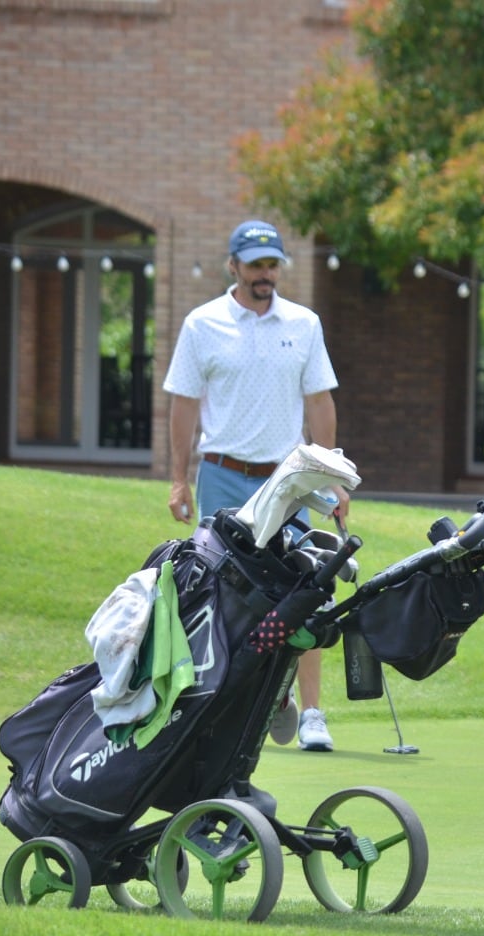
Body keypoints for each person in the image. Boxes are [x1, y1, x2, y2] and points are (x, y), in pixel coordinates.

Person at [162, 219, 350, 752]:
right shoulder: (202, 324)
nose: (265, 274)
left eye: (272, 265)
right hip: (222, 474)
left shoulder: (304, 323)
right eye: (255, 265)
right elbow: (184, 403)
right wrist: (179, 479)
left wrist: (334, 475)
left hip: (287, 479)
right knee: (217, 592)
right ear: (233, 266)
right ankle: (231, 702)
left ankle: (311, 712)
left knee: (306, 587)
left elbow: (319, 400)